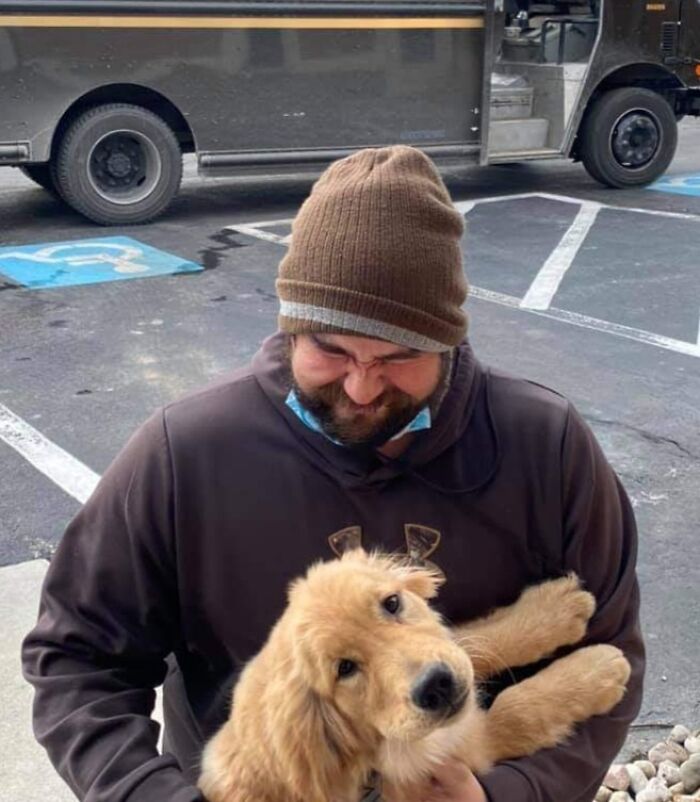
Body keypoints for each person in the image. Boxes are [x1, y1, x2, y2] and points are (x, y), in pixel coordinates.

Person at [22, 145, 644, 802]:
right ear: (291, 328)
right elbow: (79, 659)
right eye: (331, 348)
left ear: (449, 340)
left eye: (399, 355)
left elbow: (610, 654)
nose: (362, 386)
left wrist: (506, 795)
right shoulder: (187, 452)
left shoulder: (544, 443)